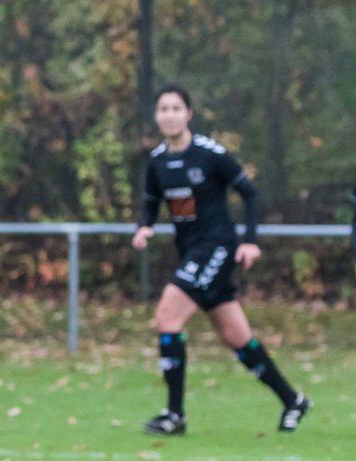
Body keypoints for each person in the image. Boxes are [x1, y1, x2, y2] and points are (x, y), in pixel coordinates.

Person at [132, 84, 310, 436]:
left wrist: (250, 242)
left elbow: (250, 193)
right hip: (191, 250)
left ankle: (174, 414)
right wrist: (145, 227)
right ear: (156, 116)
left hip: (216, 247)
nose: (169, 115)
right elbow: (151, 201)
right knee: (237, 337)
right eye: (162, 109)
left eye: (175, 108)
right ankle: (293, 400)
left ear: (189, 114)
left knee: (167, 317)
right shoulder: (157, 162)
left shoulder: (210, 154)